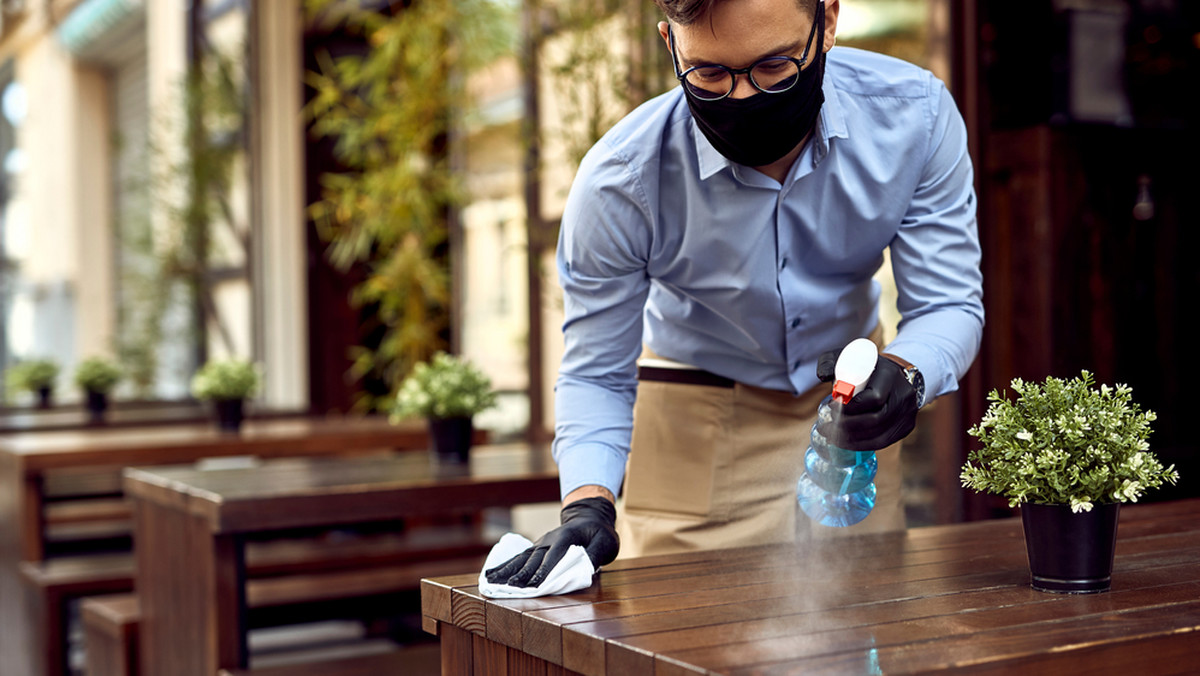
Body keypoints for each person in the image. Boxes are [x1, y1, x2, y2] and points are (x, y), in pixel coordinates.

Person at [486, 0, 983, 589]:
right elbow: (596, 373)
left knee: (861, 636)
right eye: (711, 75)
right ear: (670, 43)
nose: (744, 97)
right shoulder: (622, 180)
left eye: (774, 67)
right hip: (694, 425)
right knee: (677, 642)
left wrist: (906, 373)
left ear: (826, 21)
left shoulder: (915, 118)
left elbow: (949, 304)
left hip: (853, 422)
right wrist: (587, 502)